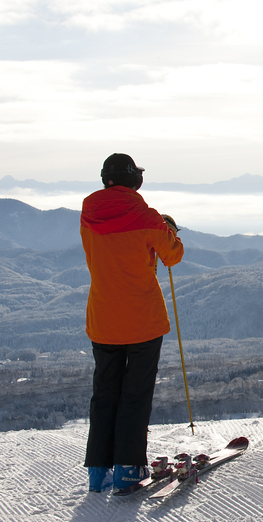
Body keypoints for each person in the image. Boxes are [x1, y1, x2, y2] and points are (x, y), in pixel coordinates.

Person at [80, 153, 184, 492]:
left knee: (104, 393)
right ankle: (127, 468)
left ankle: (97, 472)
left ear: (104, 179)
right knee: (135, 395)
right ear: (135, 181)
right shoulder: (147, 217)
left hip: (103, 319)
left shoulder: (89, 213)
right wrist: (169, 230)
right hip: (143, 320)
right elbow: (172, 255)